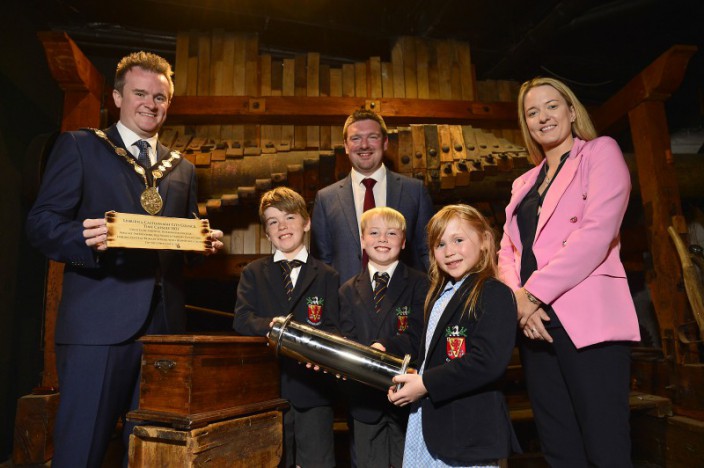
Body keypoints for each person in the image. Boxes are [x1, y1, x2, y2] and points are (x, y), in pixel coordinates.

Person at [26, 51, 224, 468]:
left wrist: (200, 245)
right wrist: (81, 236)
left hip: (165, 331)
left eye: (160, 97)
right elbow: (41, 224)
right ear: (117, 97)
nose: (150, 104)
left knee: (155, 455)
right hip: (97, 329)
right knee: (81, 452)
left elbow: (178, 245)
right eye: (140, 93)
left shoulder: (182, 169)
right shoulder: (81, 147)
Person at [497, 76, 641, 467]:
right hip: (535, 324)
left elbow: (597, 233)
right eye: (532, 112)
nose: (542, 117)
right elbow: (507, 250)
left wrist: (531, 293)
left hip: (586, 318)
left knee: (605, 446)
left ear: (572, 111)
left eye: (552, 106)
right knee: (559, 447)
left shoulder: (600, 152)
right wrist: (517, 304)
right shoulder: (523, 182)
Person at [389, 204, 520, 467]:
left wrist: (426, 384)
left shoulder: (494, 293)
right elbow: (420, 345)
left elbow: (487, 361)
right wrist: (382, 348)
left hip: (466, 431)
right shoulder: (438, 295)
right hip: (430, 422)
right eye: (440, 245)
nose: (449, 252)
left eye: (459, 240)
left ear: (484, 240)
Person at [234, 186, 340, 468]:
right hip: (267, 392)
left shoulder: (328, 275)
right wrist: (276, 328)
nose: (282, 226)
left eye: (290, 217)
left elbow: (333, 327)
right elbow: (242, 319)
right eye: (272, 221)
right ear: (266, 233)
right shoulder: (253, 273)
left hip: (314, 392)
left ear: (306, 223)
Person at [338, 207, 428, 468]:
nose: (382, 239)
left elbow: (418, 333)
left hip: (408, 399)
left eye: (391, 233)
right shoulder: (346, 290)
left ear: (403, 241)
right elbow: (347, 339)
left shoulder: (420, 284)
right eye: (374, 233)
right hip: (365, 402)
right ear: (363, 240)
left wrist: (383, 347)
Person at [311, 109, 434, 284]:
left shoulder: (415, 191)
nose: (364, 145)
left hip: (405, 302)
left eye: (372, 137)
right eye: (356, 138)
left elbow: (427, 252)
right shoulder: (326, 199)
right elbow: (322, 261)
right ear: (346, 146)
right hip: (346, 305)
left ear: (385, 143)